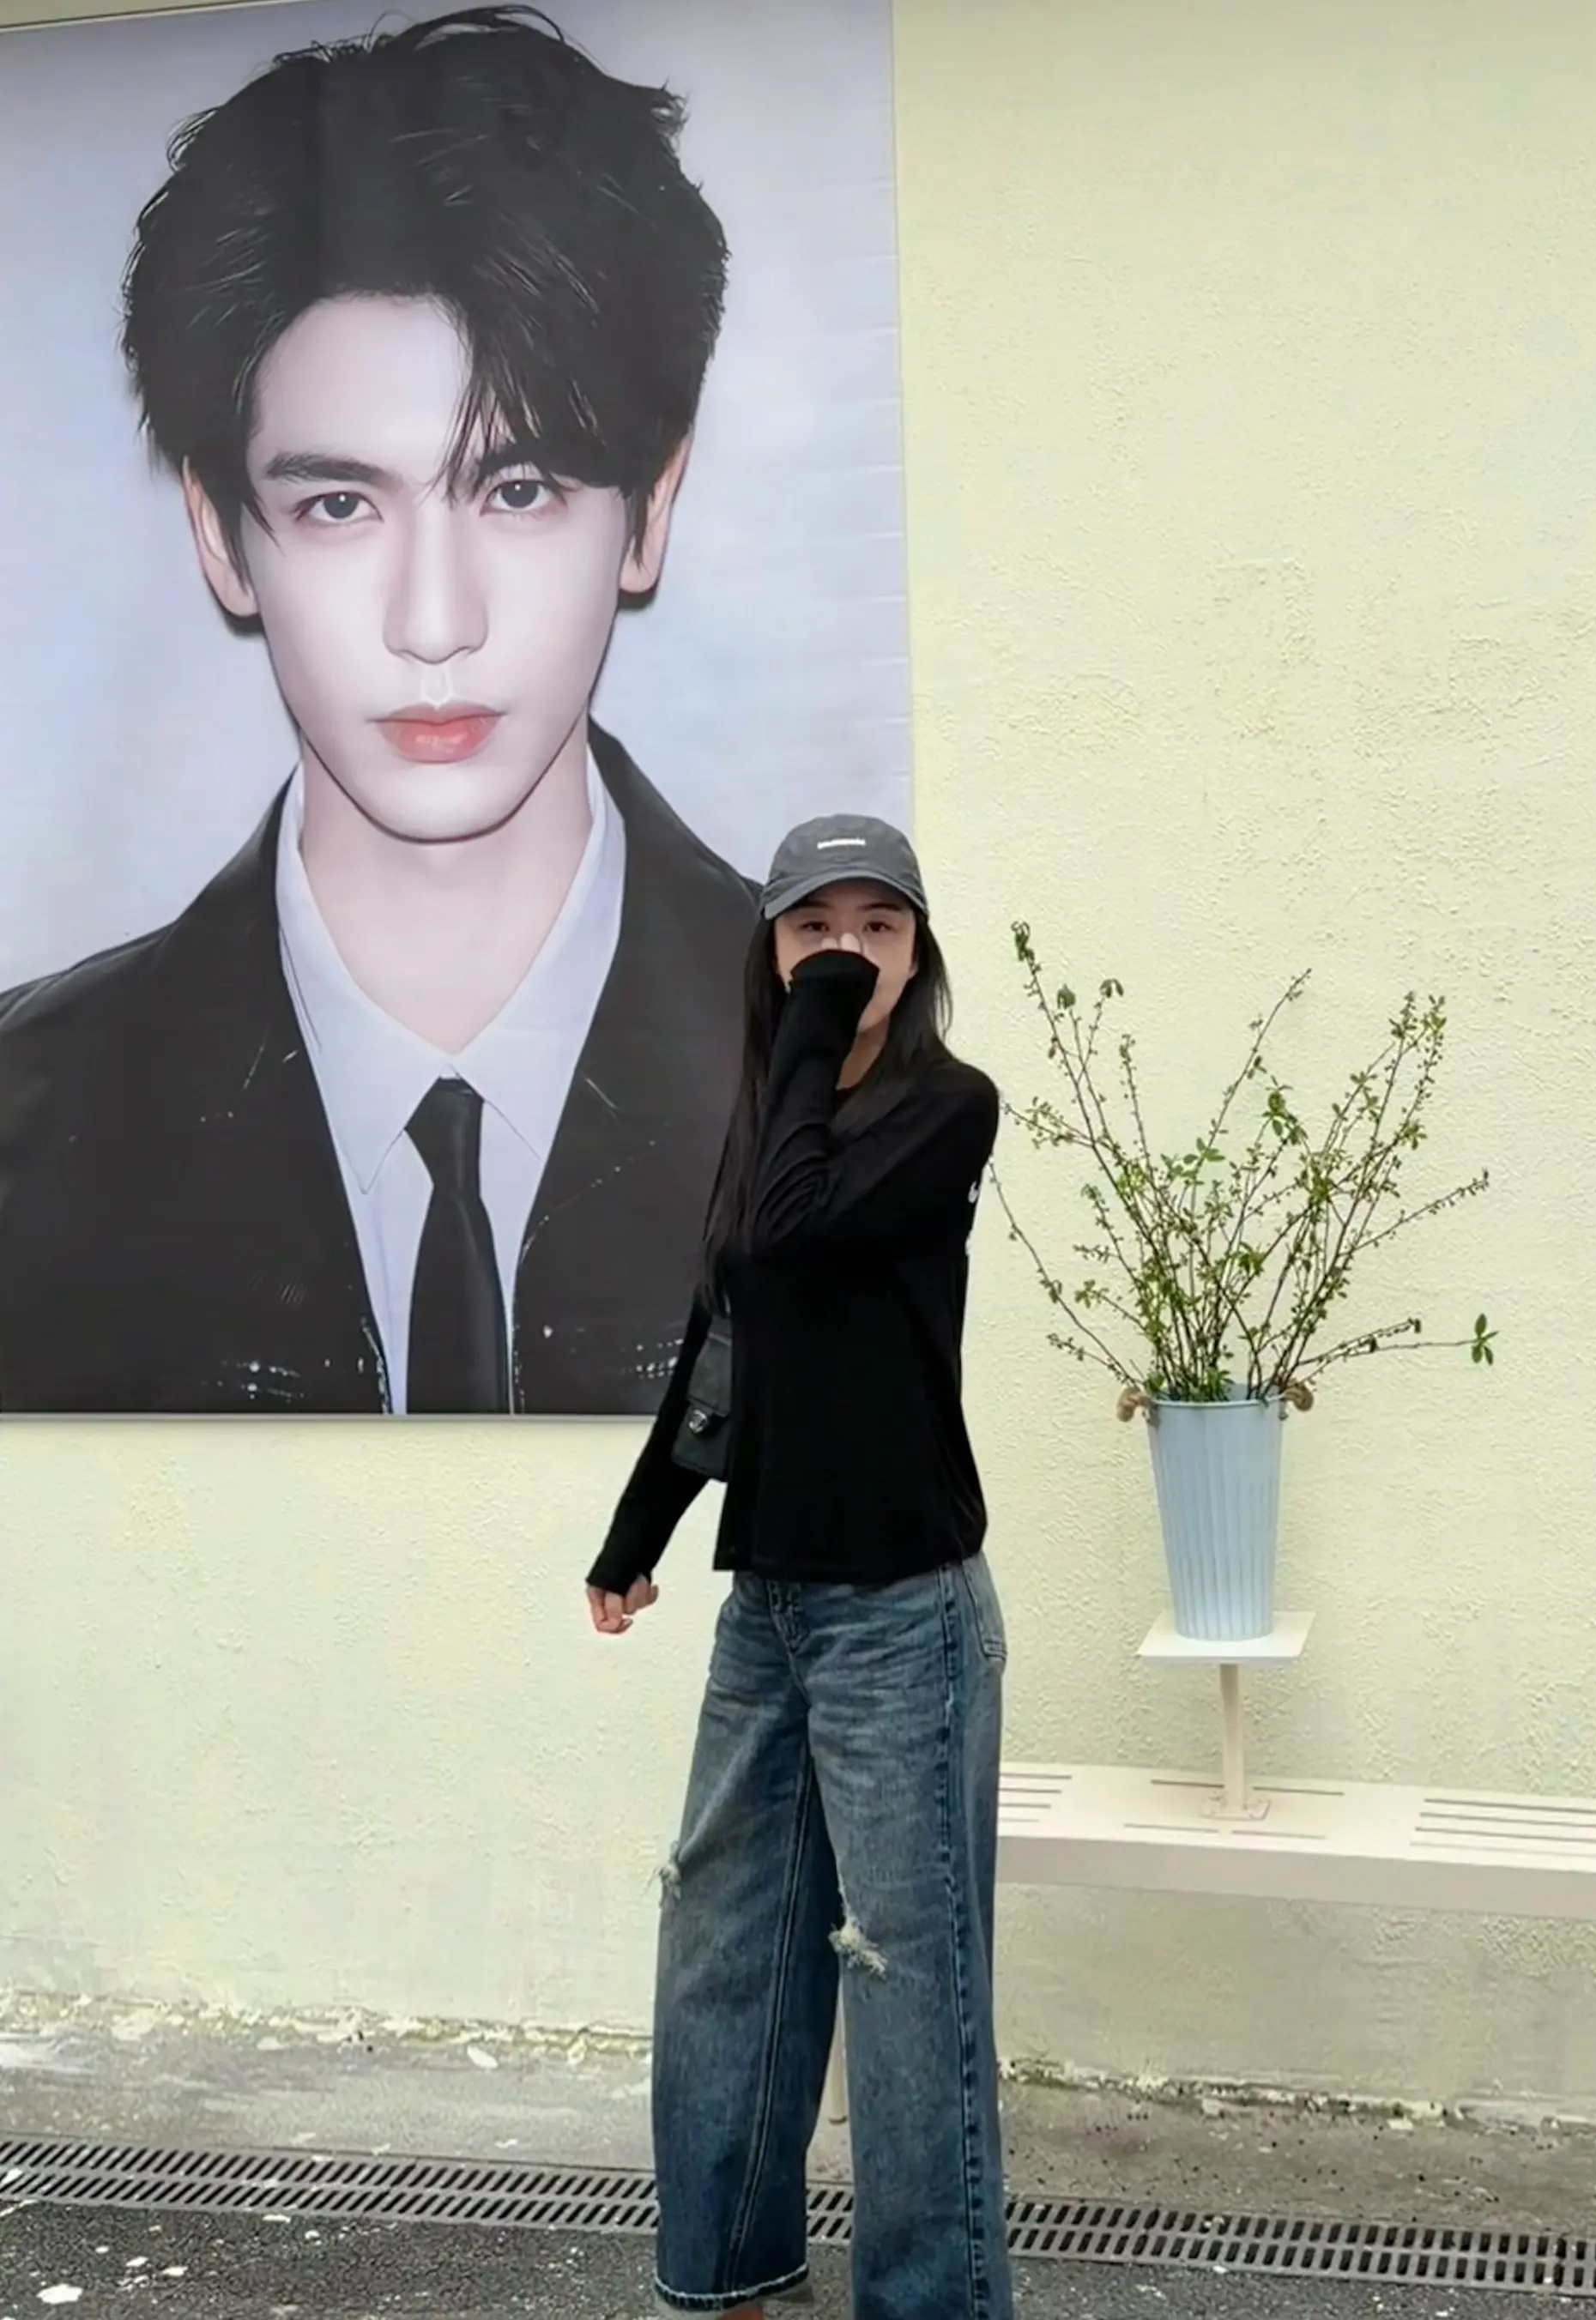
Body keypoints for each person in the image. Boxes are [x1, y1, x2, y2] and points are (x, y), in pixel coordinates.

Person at [0, 7, 758, 1415]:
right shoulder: (26, 1125)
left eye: (518, 490)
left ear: (649, 510)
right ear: (224, 536)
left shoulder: (848, 1076)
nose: (434, 621)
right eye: (340, 505)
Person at [585, 814, 1012, 2320]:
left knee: (906, 1982)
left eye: (877, 929)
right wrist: (640, 1531)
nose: (846, 954)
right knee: (726, 1952)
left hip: (904, 1614)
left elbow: (789, 1238)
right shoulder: (770, 1119)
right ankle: (726, 2280)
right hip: (767, 1603)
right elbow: (725, 1333)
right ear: (764, 951)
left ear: (919, 954)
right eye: (812, 931)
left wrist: (814, 1029)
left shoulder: (949, 1108)